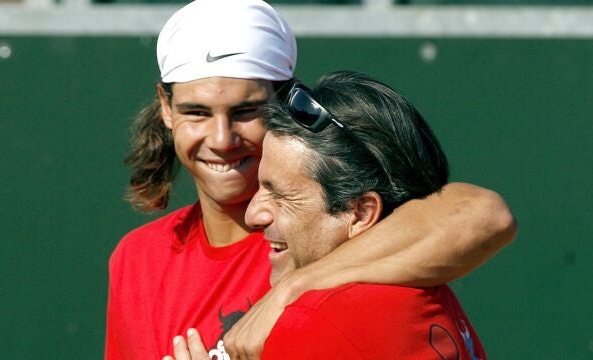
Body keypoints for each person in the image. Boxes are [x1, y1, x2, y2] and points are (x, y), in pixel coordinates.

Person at [105, 1, 516, 359]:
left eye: (246, 111)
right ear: (166, 107)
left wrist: (293, 289)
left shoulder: (332, 232)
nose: (221, 139)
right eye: (197, 112)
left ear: (285, 101)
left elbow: (484, 214)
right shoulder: (136, 260)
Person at [249, 71, 486, 358]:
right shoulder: (431, 290)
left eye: (281, 196)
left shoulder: (318, 323)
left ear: (360, 213)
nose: (253, 214)